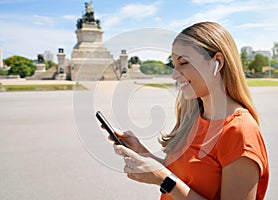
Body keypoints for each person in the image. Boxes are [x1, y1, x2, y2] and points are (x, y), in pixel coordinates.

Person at [109, 21, 269, 200]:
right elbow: (185, 177)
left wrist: (163, 180)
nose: (174, 74)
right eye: (174, 64)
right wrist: (142, 152)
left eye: (183, 62)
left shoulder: (240, 132)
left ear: (217, 62)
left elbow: (171, 181)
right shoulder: (195, 117)